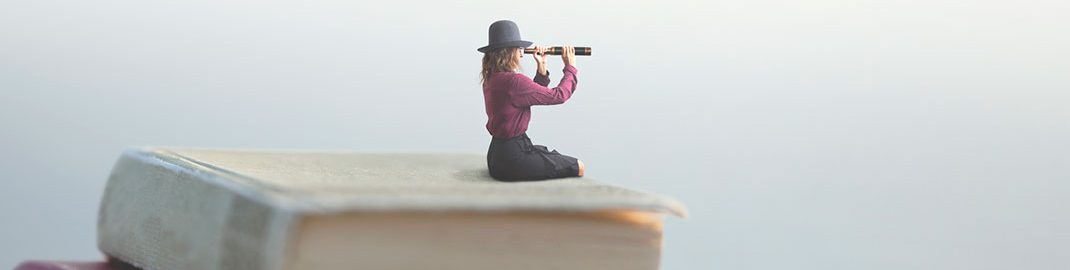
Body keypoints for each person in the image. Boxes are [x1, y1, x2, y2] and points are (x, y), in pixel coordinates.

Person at [478, 20, 584, 182]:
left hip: (497, 156)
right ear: (508, 52)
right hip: (513, 159)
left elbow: (528, 97)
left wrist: (542, 67)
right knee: (578, 165)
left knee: (552, 155)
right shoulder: (514, 81)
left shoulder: (492, 79)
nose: (521, 54)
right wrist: (570, 67)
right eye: (518, 49)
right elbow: (559, 95)